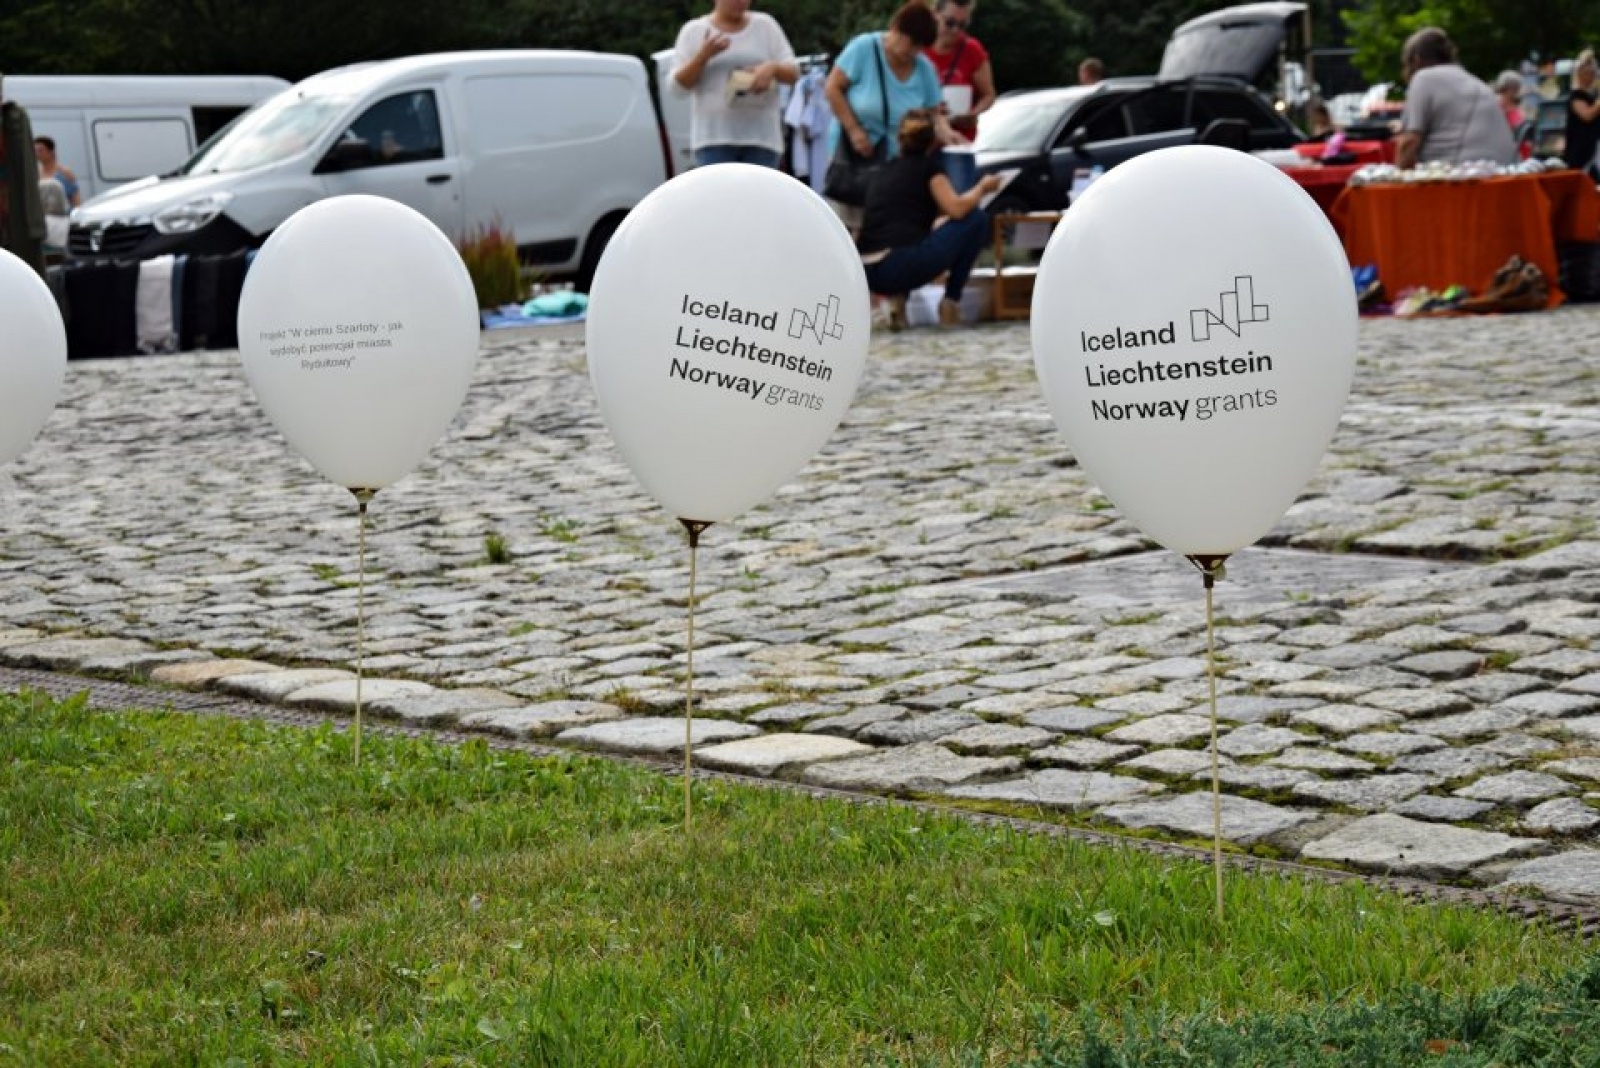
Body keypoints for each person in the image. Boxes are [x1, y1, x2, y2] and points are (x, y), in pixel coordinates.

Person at [857, 108, 1001, 331]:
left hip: (868, 271)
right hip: (900, 265)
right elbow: (957, 209)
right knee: (976, 219)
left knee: (908, 239)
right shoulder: (929, 168)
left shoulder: (883, 170)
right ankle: (951, 302)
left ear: (899, 139)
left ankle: (896, 302)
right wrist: (982, 188)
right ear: (933, 142)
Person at [672, 0, 798, 168]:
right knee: (720, 186)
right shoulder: (694, 31)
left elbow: (794, 73)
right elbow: (677, 87)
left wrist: (773, 68)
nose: (740, 2)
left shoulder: (766, 26)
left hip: (762, 139)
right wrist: (703, 56)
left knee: (760, 186)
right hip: (714, 139)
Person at [1393, 28, 1517, 169]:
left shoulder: (1424, 78)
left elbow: (1410, 141)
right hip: (1506, 169)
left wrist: (1396, 176)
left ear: (1416, 60)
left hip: (1461, 171)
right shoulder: (1476, 82)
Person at [922, 0, 996, 140]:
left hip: (960, 139)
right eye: (949, 23)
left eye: (962, 25)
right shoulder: (918, 48)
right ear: (935, 14)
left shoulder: (972, 50)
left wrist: (974, 113)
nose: (955, 30)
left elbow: (988, 95)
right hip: (924, 139)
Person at [1563, 49, 1600, 179]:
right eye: (1587, 73)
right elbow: (1587, 116)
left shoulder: (1591, 96)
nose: (1591, 77)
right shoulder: (1576, 96)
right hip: (1579, 152)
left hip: (1592, 148)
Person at [33, 135, 80, 207]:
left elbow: (75, 198)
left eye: (40, 150)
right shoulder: (36, 173)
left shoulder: (64, 173)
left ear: (51, 152)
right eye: (35, 151)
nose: (37, 154)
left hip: (62, 212)